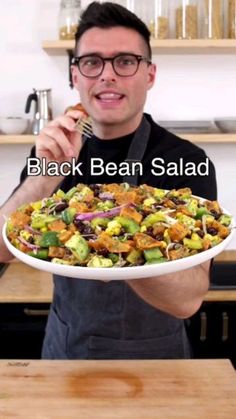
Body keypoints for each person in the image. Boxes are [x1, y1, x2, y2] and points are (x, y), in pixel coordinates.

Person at [0, 2, 217, 359]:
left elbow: (187, 299)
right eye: (91, 62)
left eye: (126, 61)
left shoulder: (185, 161)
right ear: (75, 76)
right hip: (67, 351)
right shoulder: (52, 151)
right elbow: (2, 248)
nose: (107, 75)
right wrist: (46, 174)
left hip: (156, 362)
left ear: (149, 75)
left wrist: (114, 240)